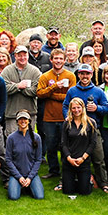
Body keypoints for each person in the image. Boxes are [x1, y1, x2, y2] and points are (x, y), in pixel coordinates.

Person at [63, 63, 108, 191]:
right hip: (75, 130)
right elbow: (66, 106)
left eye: (87, 74)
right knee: (70, 155)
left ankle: (103, 182)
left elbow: (106, 108)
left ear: (91, 75)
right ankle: (66, 180)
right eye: (82, 73)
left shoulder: (98, 91)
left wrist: (97, 108)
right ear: (78, 75)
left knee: (98, 158)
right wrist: (67, 117)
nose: (85, 76)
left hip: (93, 129)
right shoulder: (72, 90)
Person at [37, 49, 76, 179]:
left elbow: (71, 96)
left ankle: (67, 170)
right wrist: (53, 87)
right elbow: (40, 94)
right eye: (56, 58)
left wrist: (52, 96)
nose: (58, 61)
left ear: (64, 60)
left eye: (61, 59)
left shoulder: (70, 76)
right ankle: (53, 170)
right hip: (49, 117)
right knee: (51, 145)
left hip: (66, 116)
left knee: (66, 145)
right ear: (51, 60)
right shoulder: (45, 76)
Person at [1, 45, 41, 136]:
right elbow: (3, 89)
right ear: (15, 56)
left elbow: (36, 91)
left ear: (28, 55)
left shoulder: (35, 71)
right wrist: (18, 86)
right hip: (12, 114)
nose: (22, 58)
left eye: (24, 55)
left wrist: (19, 88)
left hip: (30, 113)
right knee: (12, 142)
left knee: (29, 141)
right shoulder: (7, 71)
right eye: (19, 55)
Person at [61, 98, 99, 196]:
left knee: (84, 192)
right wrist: (69, 158)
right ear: (70, 109)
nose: (76, 110)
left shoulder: (91, 123)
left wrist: (83, 158)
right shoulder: (66, 123)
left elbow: (93, 143)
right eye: (73, 108)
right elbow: (63, 143)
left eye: (78, 107)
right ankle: (68, 182)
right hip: (69, 161)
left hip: (83, 160)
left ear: (83, 108)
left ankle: (89, 179)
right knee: (68, 191)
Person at [5, 110, 44, 200]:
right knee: (13, 197)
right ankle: (20, 185)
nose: (23, 121)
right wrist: (19, 177)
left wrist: (30, 177)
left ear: (29, 121)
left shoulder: (36, 137)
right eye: (20, 119)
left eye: (25, 119)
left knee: (39, 196)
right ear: (17, 121)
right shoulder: (11, 138)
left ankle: (28, 185)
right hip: (16, 175)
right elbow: (8, 159)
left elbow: (38, 160)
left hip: (31, 174)